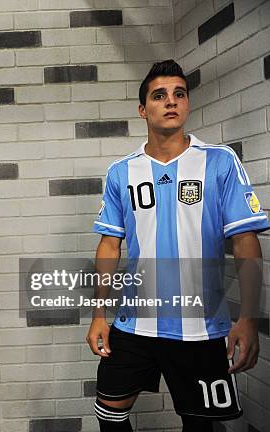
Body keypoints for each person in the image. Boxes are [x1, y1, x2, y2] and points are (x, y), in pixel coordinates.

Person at [87, 60, 269, 432]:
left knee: (200, 424)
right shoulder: (122, 171)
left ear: (186, 104)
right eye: (159, 95)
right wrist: (98, 314)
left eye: (179, 94)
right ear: (143, 110)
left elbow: (245, 242)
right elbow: (109, 246)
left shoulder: (219, 163)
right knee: (109, 411)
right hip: (135, 323)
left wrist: (248, 319)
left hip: (200, 328)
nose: (171, 101)